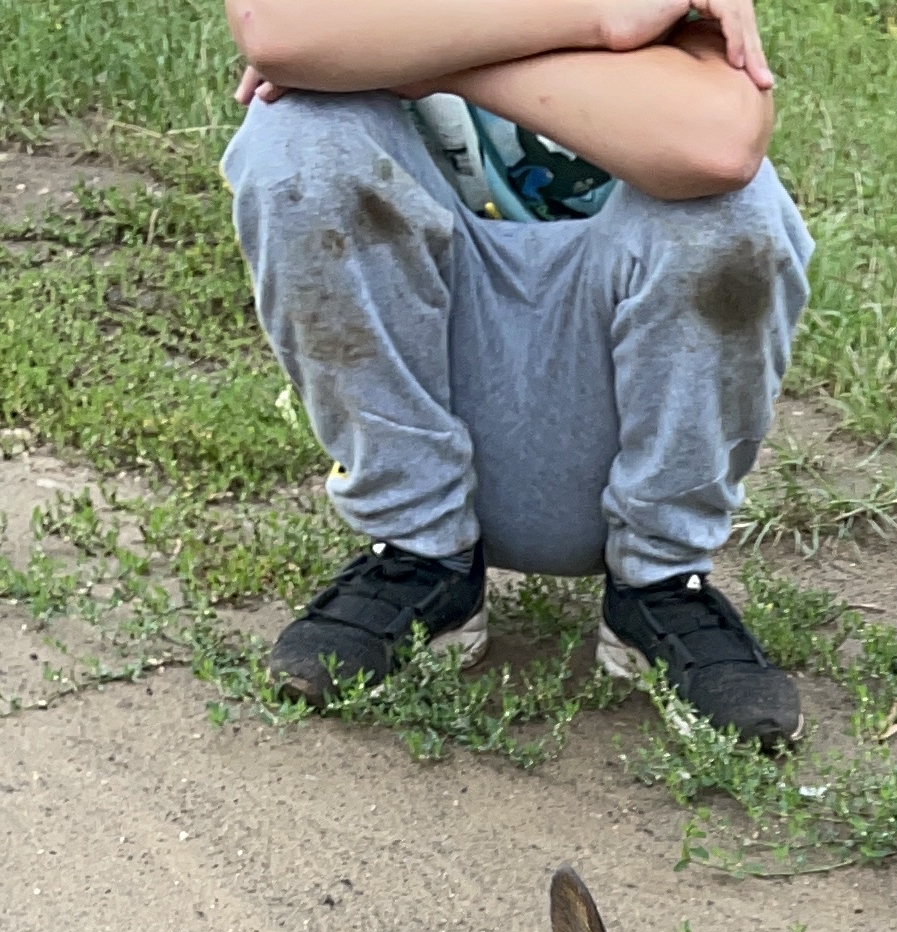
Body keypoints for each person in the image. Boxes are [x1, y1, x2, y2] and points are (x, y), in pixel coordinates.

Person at [221, 0, 809, 743]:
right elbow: (279, 35)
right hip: (443, 381)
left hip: (613, 404)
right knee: (300, 138)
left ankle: (660, 583)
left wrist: (390, 50)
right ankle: (421, 560)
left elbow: (717, 146)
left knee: (732, 209)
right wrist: (604, 21)